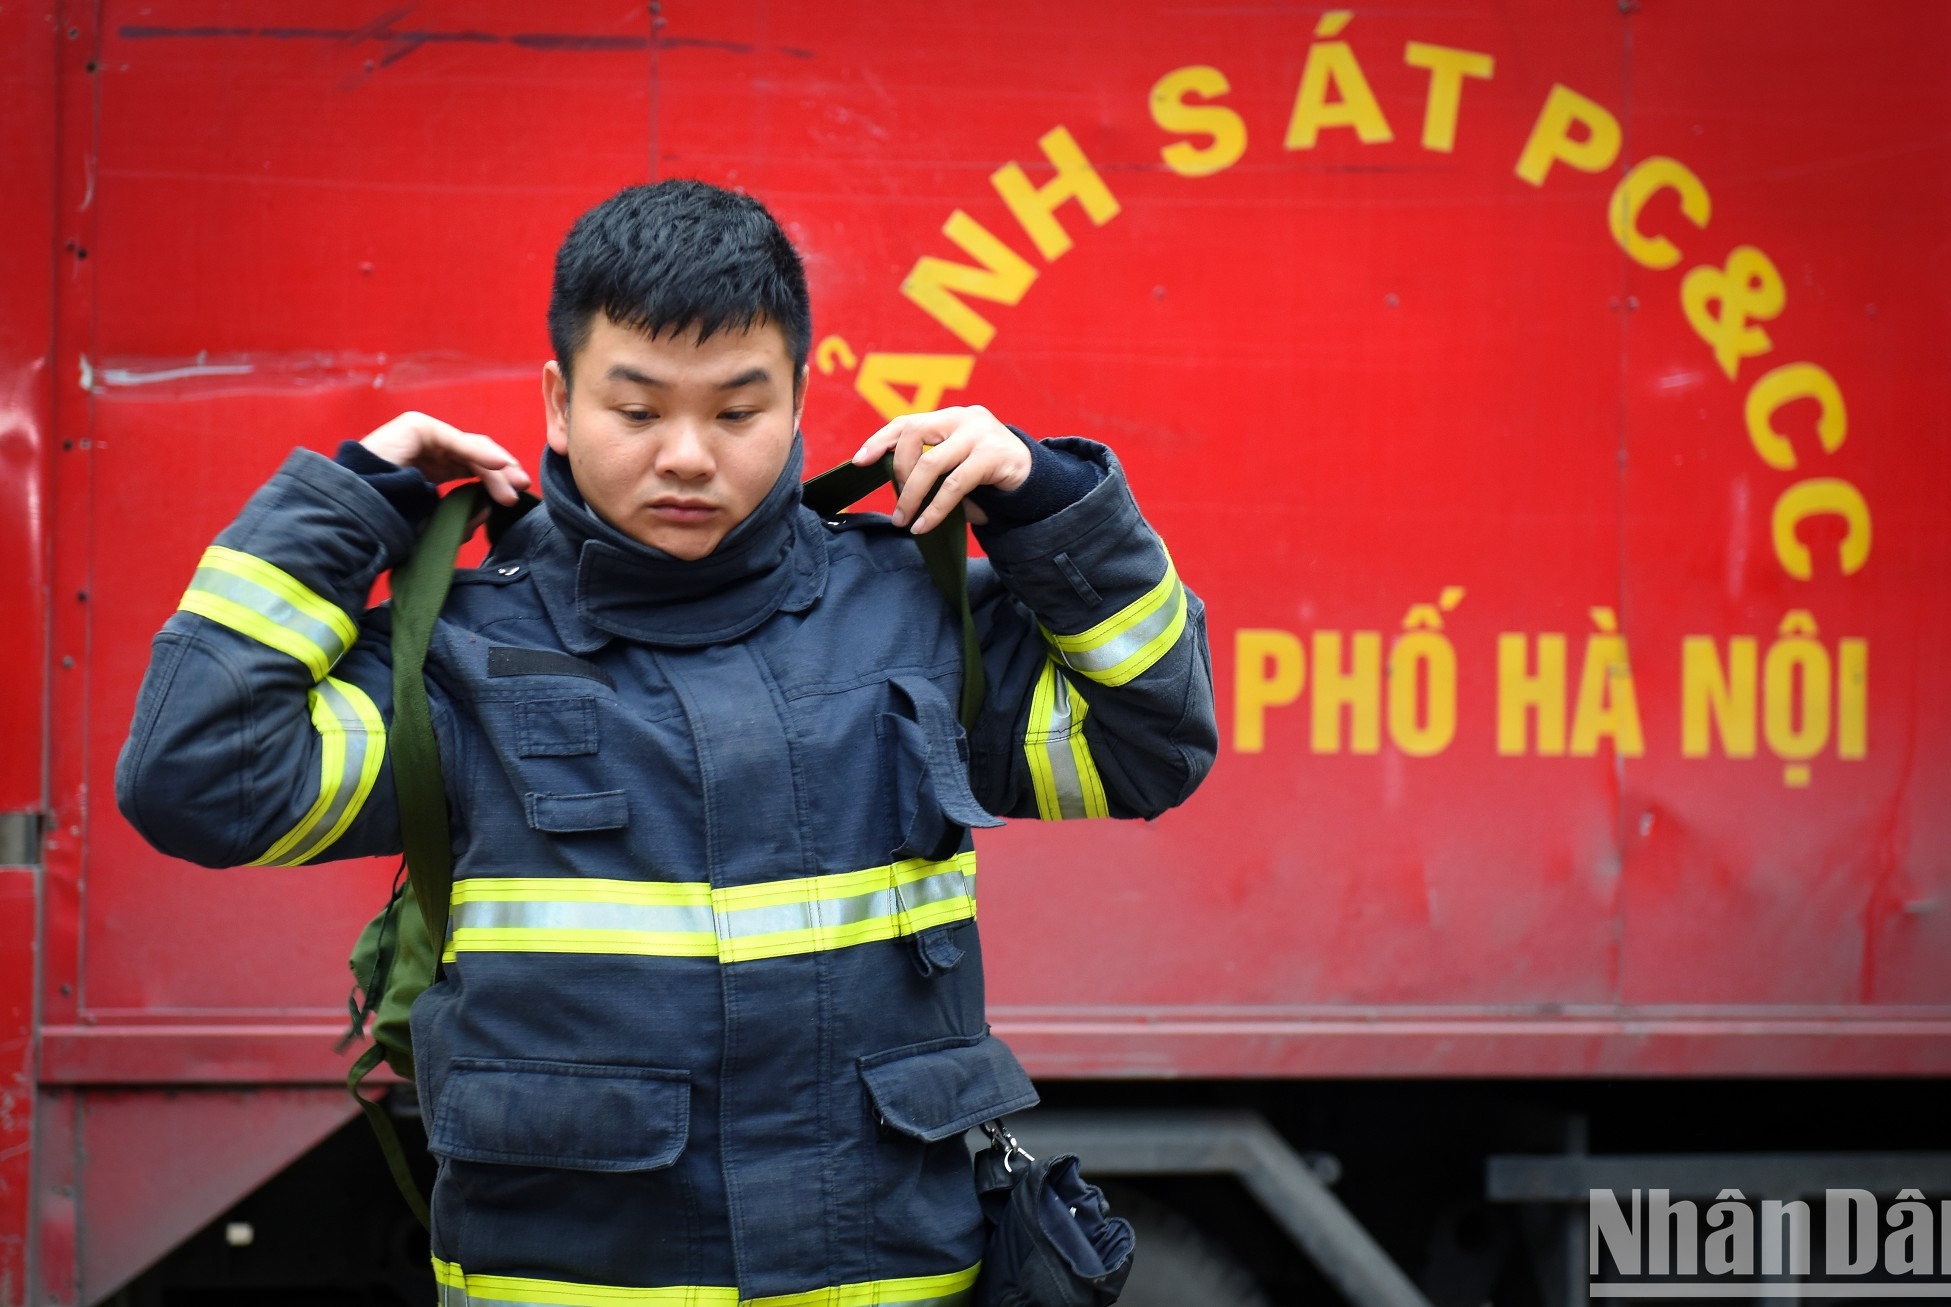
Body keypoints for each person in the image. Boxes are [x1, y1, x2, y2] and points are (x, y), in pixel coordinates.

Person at [116, 179, 1216, 1306]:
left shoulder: (915, 616)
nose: (687, 456)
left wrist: (1047, 498)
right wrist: (350, 499)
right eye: (637, 411)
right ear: (559, 402)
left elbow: (1150, 743)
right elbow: (203, 777)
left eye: (736, 413)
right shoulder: (456, 656)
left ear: (798, 399)